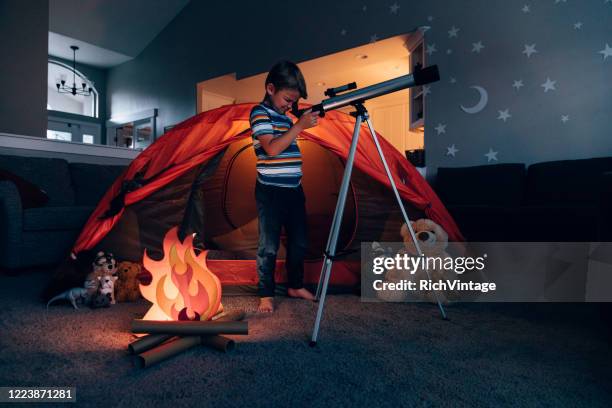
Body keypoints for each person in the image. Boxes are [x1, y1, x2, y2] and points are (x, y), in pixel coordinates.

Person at [249, 60, 320, 313]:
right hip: (270, 191)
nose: (290, 106)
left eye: (294, 102)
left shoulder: (287, 117)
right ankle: (266, 294)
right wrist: (299, 126)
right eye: (287, 100)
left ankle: (295, 285)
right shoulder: (259, 113)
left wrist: (298, 121)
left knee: (299, 241)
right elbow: (271, 148)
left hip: (294, 189)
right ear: (270, 88)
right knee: (268, 245)